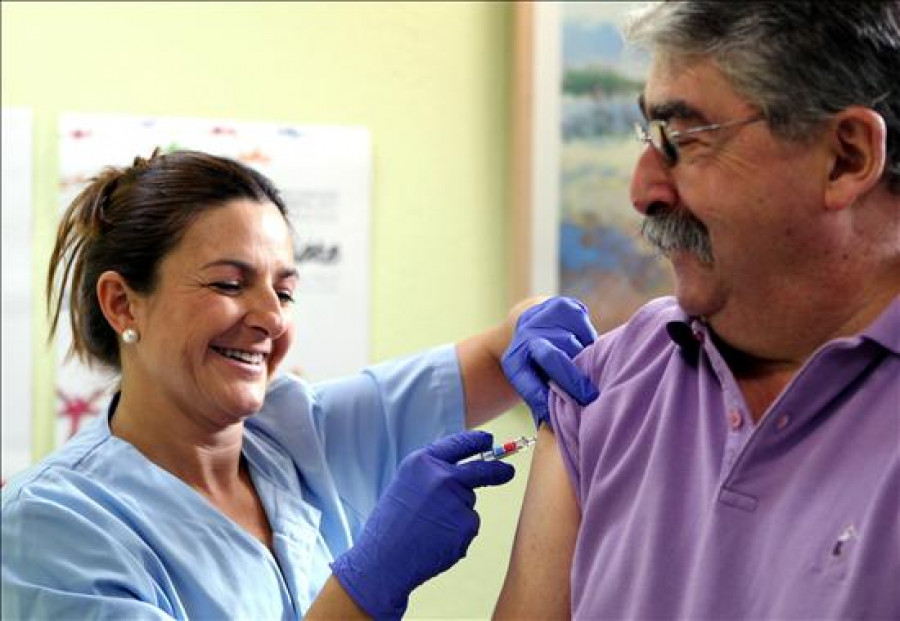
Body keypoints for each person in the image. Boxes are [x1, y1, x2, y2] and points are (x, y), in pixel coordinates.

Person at [0, 149, 598, 620]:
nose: (272, 317)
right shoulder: (50, 526)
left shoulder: (295, 434)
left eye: (284, 291)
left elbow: (501, 345)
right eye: (229, 284)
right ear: (123, 304)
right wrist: (368, 587)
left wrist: (535, 318)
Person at [495, 2, 900, 619]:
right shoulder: (607, 385)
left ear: (846, 156)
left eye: (683, 140)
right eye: (649, 139)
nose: (643, 190)